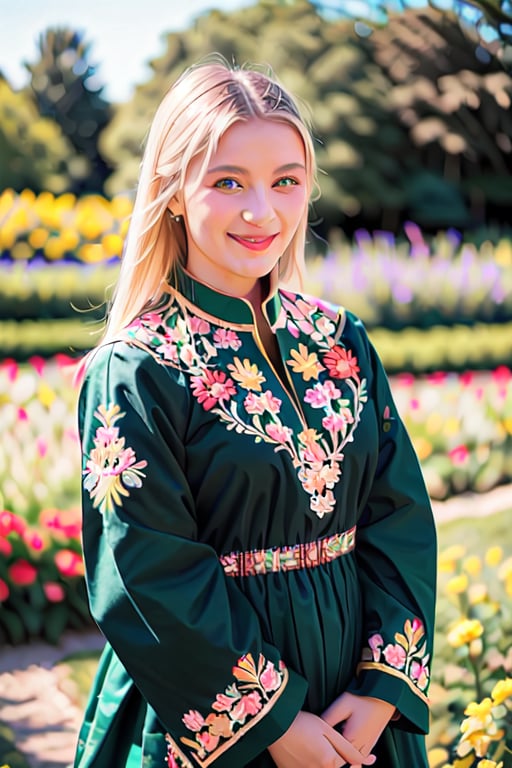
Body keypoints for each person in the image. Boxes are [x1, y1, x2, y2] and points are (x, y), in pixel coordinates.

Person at [74, 55, 437, 768]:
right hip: (208, 713)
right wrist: (272, 724)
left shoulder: (342, 339)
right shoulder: (137, 368)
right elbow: (145, 571)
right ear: (174, 191)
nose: (261, 211)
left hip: (355, 702)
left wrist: (381, 689)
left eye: (286, 182)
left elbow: (400, 519)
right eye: (227, 182)